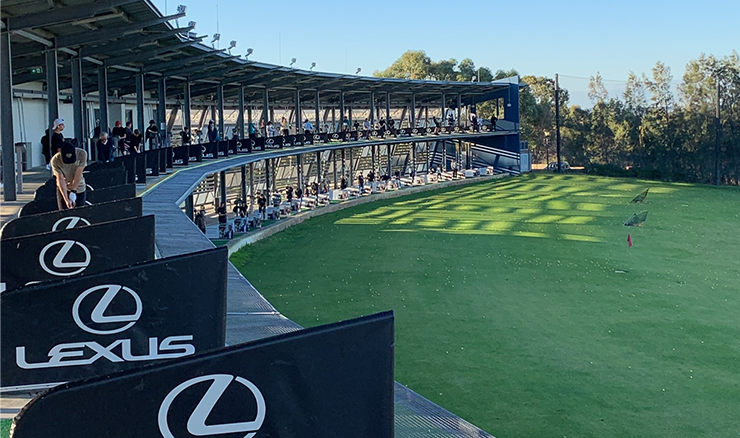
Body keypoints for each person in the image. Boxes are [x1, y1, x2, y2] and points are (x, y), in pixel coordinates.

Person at [51, 140, 87, 211]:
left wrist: (73, 192)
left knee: (80, 212)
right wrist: (66, 199)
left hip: (79, 187)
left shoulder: (82, 154)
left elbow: (78, 174)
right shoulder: (55, 160)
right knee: (63, 212)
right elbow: (60, 179)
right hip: (64, 188)